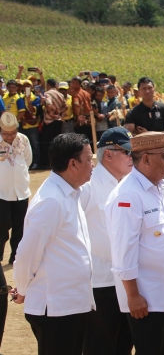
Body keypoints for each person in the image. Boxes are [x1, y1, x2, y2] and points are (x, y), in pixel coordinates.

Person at [105, 131, 164, 355]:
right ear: (145, 159)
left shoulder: (162, 188)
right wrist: (133, 296)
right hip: (147, 299)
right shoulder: (127, 196)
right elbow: (123, 251)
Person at [11, 133, 95, 355]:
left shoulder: (70, 193)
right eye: (88, 159)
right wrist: (22, 287)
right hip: (56, 308)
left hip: (72, 304)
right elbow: (27, 254)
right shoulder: (51, 201)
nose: (92, 164)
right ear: (73, 164)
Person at [80, 127, 134, 355]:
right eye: (128, 153)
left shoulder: (131, 184)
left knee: (125, 343)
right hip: (101, 283)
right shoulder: (87, 186)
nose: (134, 158)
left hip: (129, 281)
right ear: (109, 154)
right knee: (100, 346)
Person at [124, 77, 164, 184]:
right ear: (139, 92)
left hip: (163, 155)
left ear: (154, 89)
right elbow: (128, 136)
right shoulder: (133, 113)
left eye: (149, 88)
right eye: (143, 89)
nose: (147, 91)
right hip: (143, 159)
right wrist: (159, 136)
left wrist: (148, 135)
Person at [0, 112, 32, 265]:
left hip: (21, 191)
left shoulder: (23, 139)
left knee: (20, 226)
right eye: (6, 134)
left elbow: (28, 160)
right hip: (1, 192)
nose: (10, 137)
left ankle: (16, 257)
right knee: (2, 225)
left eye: (13, 133)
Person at [20, 80, 41, 169]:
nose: (26, 87)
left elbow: (33, 111)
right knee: (22, 145)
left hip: (32, 125)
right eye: (24, 86)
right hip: (23, 125)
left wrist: (29, 101)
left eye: (28, 86)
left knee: (34, 144)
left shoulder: (36, 98)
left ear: (32, 87)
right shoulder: (20, 97)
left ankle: (36, 162)